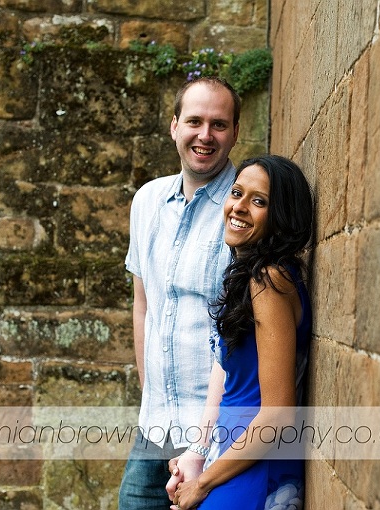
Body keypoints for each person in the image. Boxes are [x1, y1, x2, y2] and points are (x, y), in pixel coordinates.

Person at [118, 76, 241, 509]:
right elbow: (143, 307)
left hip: (216, 433)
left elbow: (235, 332)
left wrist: (201, 443)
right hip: (154, 428)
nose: (205, 135)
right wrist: (149, 399)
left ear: (235, 133)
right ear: (174, 126)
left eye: (219, 124)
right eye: (194, 121)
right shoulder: (146, 201)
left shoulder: (242, 208)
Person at [165, 155, 314, 510]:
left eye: (258, 201)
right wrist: (199, 453)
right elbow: (228, 375)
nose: (239, 207)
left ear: (281, 217)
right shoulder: (253, 275)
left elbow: (277, 414)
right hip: (234, 451)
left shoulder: (269, 280)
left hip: (256, 463)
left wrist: (203, 483)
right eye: (236, 193)